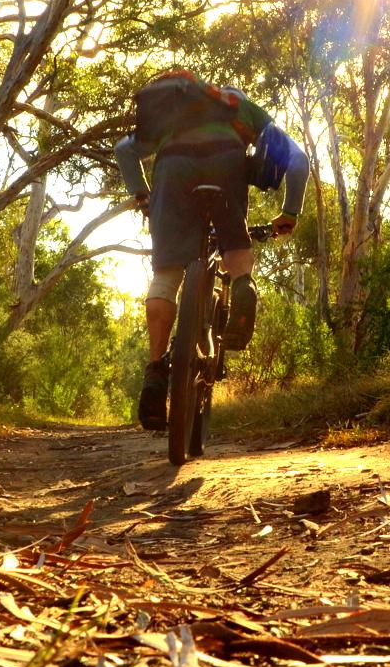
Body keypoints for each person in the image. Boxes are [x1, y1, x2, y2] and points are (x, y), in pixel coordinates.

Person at [114, 70, 308, 430]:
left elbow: (124, 151)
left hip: (171, 168)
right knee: (234, 243)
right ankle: (242, 285)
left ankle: (156, 370)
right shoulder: (243, 107)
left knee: (167, 275)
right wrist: (290, 212)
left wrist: (143, 195)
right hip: (227, 164)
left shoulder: (175, 114)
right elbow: (298, 161)